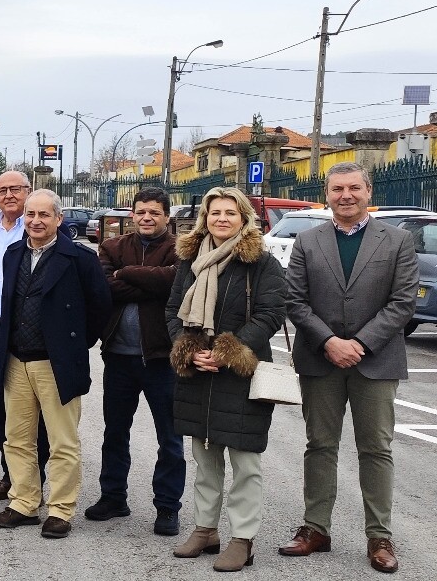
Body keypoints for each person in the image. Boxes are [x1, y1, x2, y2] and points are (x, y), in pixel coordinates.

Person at [280, 162, 416, 574]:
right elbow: (295, 299)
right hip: (320, 360)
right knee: (319, 446)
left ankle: (379, 536)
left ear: (368, 192)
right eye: (337, 188)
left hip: (376, 361)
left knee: (375, 448)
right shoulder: (307, 240)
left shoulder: (398, 241)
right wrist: (329, 342)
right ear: (327, 193)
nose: (346, 196)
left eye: (354, 188)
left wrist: (358, 344)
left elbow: (403, 301)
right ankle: (315, 529)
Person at [165, 187, 285, 572]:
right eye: (214, 212)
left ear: (244, 217)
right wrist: (187, 348)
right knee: (205, 459)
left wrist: (228, 350)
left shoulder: (262, 263)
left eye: (229, 213)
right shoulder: (190, 260)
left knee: (245, 462)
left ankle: (242, 539)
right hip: (199, 375)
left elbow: (270, 314)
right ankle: (205, 530)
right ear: (205, 217)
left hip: (242, 375)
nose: (221, 219)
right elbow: (172, 310)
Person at [0, 189, 109, 540]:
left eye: (44, 215)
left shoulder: (80, 259)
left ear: (59, 219)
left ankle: (60, 510)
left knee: (62, 442)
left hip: (56, 363)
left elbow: (100, 306)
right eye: (30, 215)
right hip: (16, 360)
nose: (36, 221)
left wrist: (73, 345)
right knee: (18, 439)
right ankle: (24, 502)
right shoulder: (13, 254)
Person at [87, 187, 185, 536]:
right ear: (132, 215)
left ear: (167, 217)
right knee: (114, 432)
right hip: (118, 357)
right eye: (141, 212)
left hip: (162, 359)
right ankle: (113, 497)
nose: (147, 218)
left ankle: (168, 507)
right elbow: (105, 287)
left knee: (170, 439)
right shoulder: (112, 247)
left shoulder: (181, 249)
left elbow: (175, 285)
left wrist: (125, 274)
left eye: (154, 213)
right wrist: (149, 281)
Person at [0, 170, 48, 501]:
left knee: (37, 410)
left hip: (27, 330)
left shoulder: (36, 228)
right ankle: (11, 473)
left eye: (15, 189)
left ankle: (36, 478)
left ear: (28, 191)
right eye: (2, 190)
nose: (8, 195)